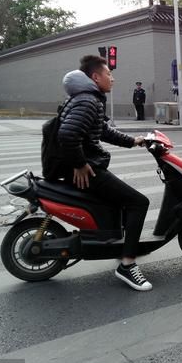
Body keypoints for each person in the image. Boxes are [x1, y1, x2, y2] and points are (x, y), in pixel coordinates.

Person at [57, 55, 152, 292]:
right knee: (139, 202)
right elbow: (68, 135)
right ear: (95, 77)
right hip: (87, 169)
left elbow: (103, 132)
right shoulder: (89, 101)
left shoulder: (87, 99)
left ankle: (119, 246)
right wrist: (79, 164)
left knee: (120, 202)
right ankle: (127, 264)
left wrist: (135, 141)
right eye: (109, 73)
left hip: (84, 165)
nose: (113, 78)